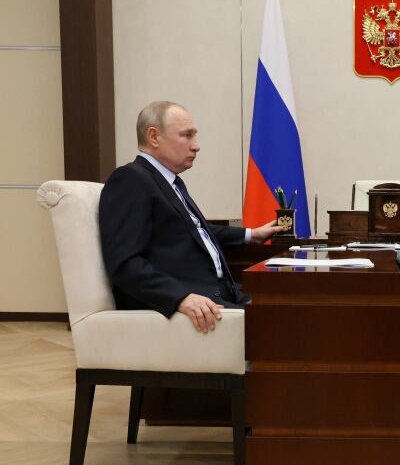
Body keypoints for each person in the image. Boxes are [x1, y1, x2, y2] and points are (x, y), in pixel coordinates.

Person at [99, 101, 284, 333]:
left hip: (225, 292)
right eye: (187, 136)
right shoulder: (130, 180)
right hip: (194, 302)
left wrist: (251, 235)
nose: (196, 146)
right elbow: (125, 263)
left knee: (294, 307)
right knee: (283, 326)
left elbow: (195, 230)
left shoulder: (170, 182)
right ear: (154, 137)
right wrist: (181, 298)